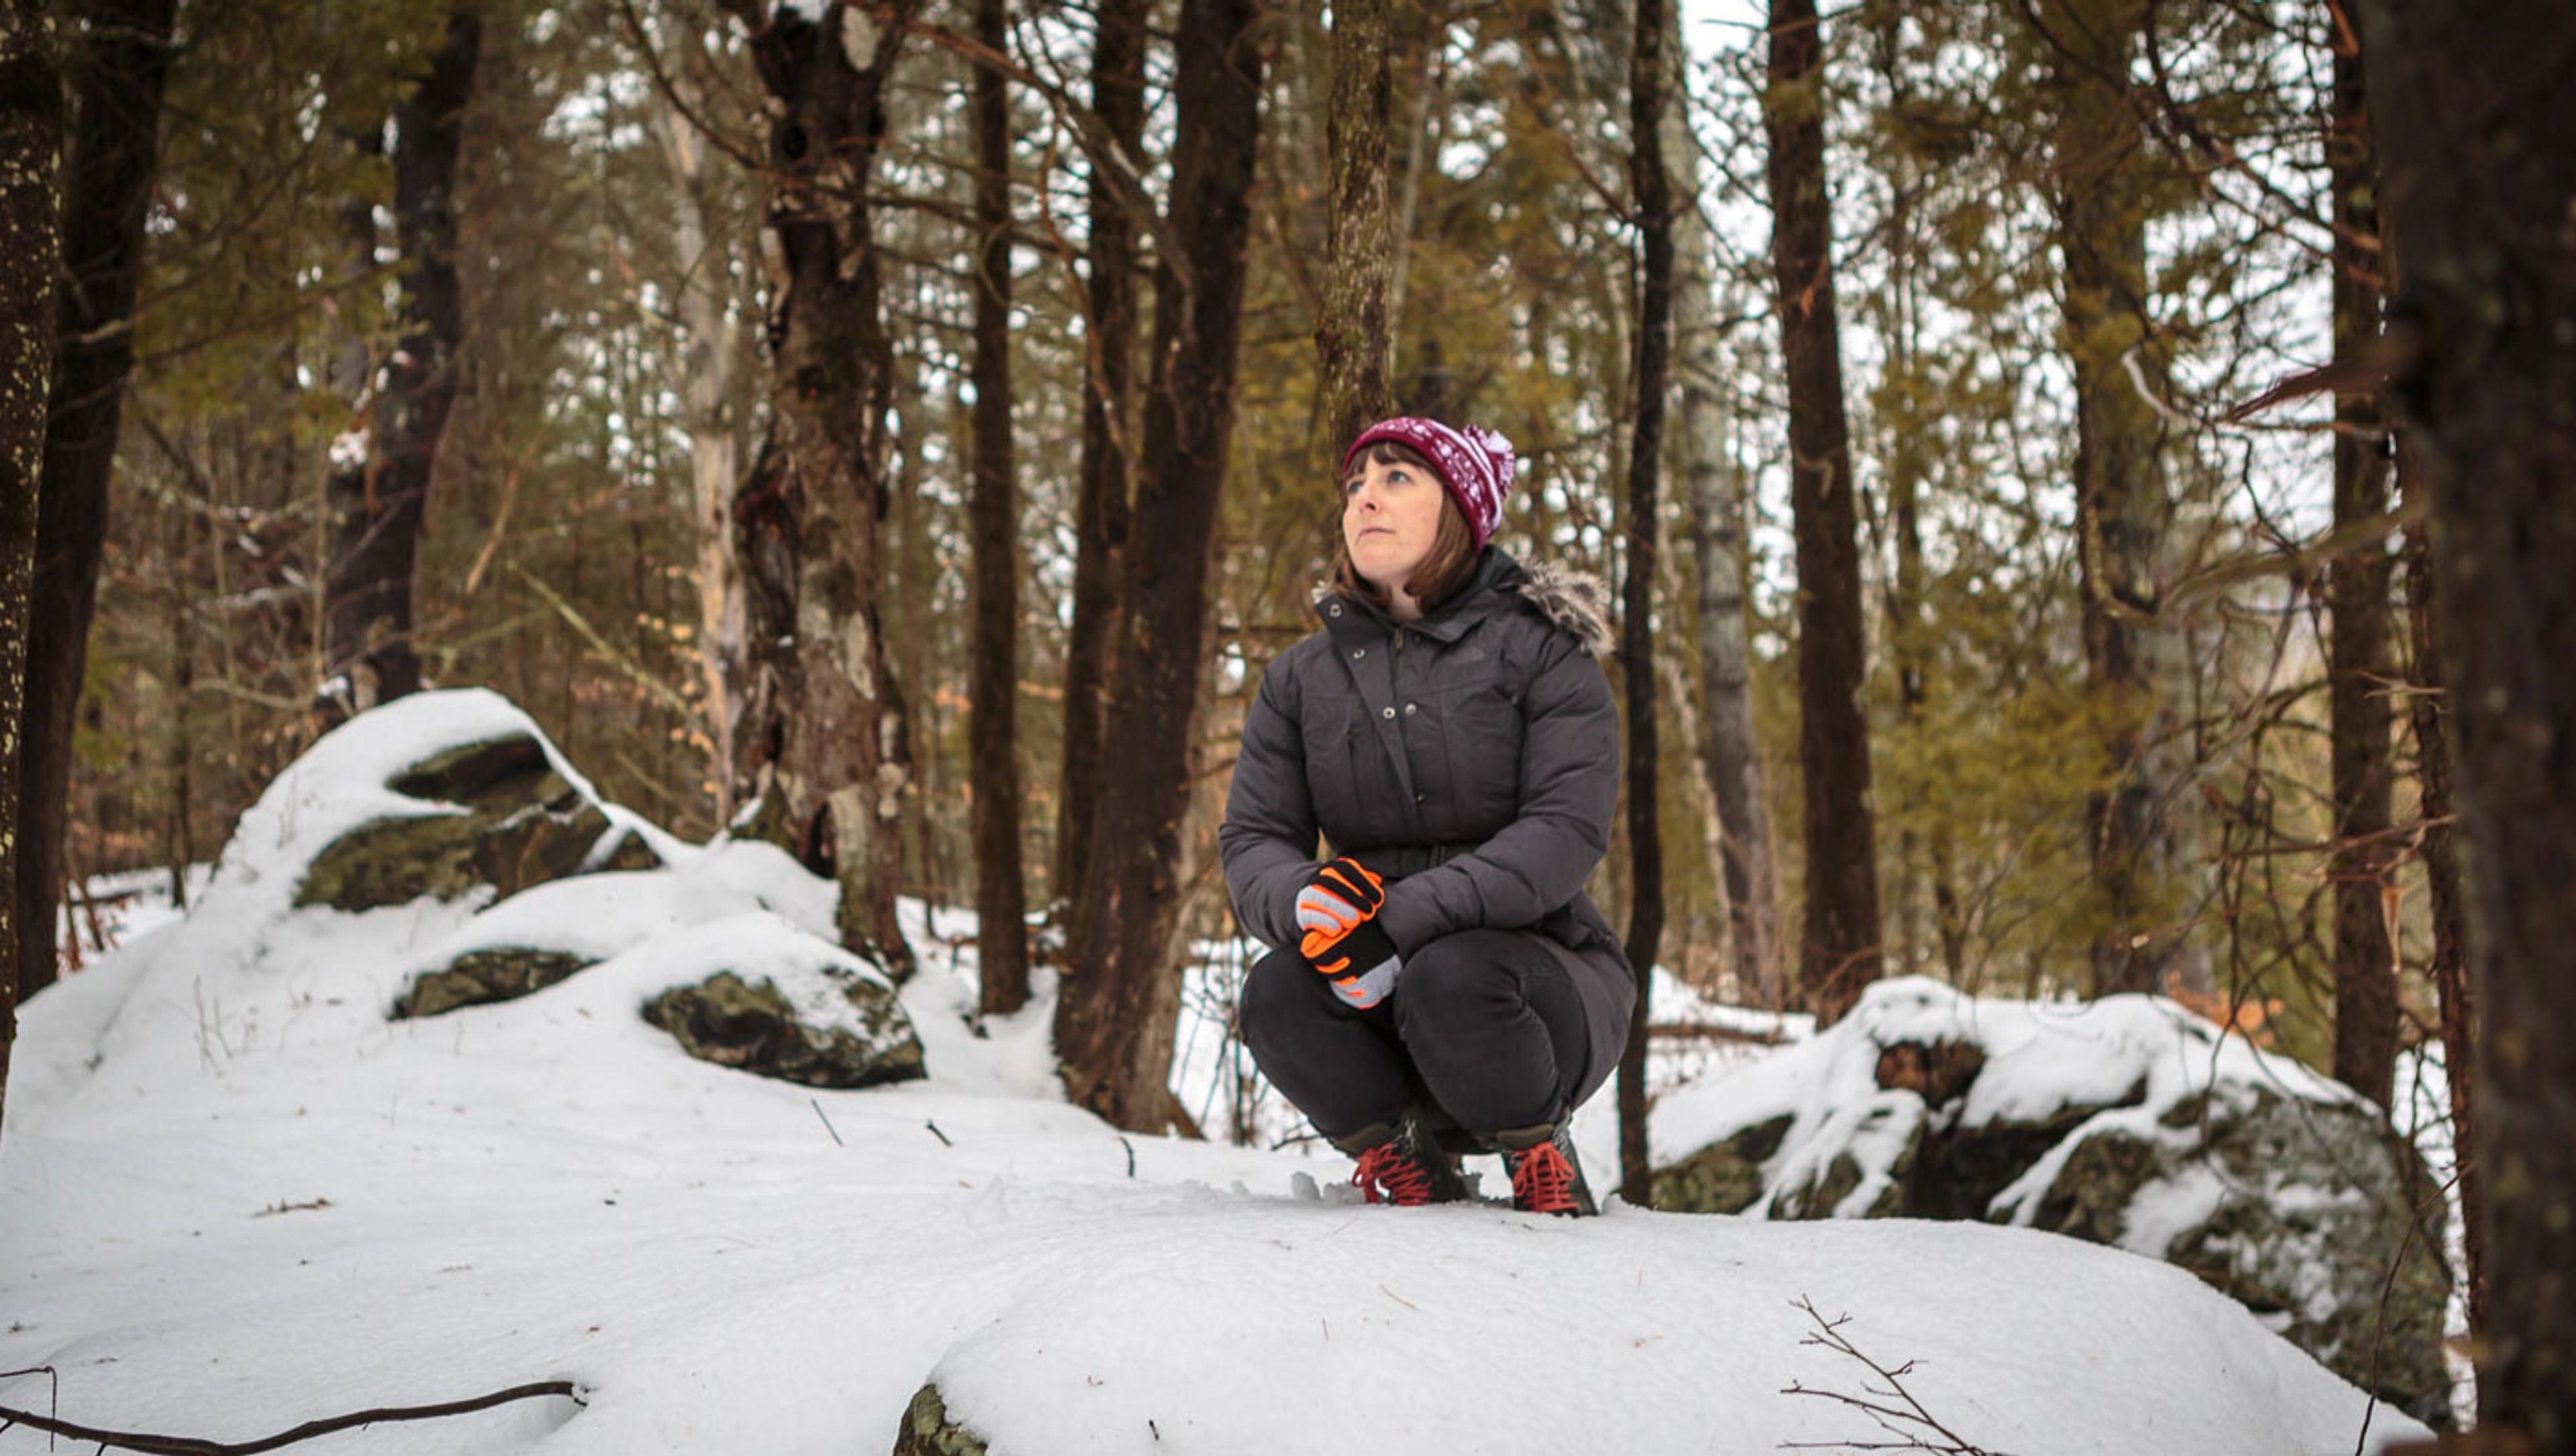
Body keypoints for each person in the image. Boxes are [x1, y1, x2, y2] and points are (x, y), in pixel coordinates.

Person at [1219, 416, 1634, 1216]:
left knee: (1454, 974)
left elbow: (1564, 831)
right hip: (1367, 975)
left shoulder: (1544, 651)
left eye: (1396, 479)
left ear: (1461, 511)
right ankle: (1403, 1158)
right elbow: (1254, 836)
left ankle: (1540, 1156)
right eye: (1354, 485)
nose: (1364, 498)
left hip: (1538, 984)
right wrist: (1306, 900)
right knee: (1274, 992)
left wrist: (1399, 915)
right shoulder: (1299, 679)